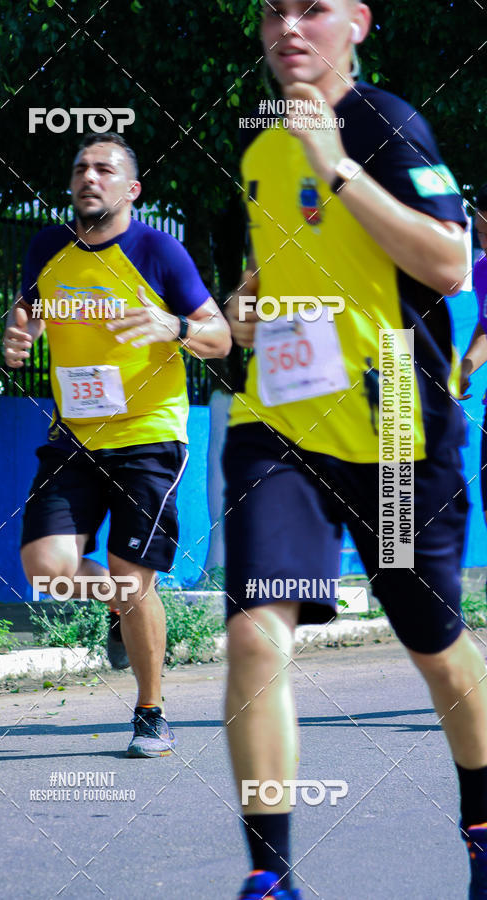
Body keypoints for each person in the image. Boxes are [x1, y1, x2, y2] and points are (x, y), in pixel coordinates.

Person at [223, 2, 487, 898]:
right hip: (277, 429)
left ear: (359, 24)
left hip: (396, 432)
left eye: (314, 8)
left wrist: (336, 166)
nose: (290, 27)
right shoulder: (260, 146)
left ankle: (483, 826)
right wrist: (244, 306)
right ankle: (271, 878)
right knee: (255, 632)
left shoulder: (387, 124)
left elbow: (448, 264)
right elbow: (283, 267)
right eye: (274, 10)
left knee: (434, 644)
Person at [4, 132, 231, 758]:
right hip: (74, 438)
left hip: (148, 438)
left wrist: (172, 324)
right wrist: (18, 333)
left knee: (133, 576)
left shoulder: (158, 251)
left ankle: (150, 712)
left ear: (131, 189)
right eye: (81, 167)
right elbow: (29, 309)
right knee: (46, 568)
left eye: (105, 168)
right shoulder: (47, 246)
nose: (89, 176)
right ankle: (117, 604)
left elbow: (220, 338)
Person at [461, 185, 487, 552]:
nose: (485, 243)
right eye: (480, 234)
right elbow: (485, 326)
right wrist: (465, 367)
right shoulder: (482, 271)